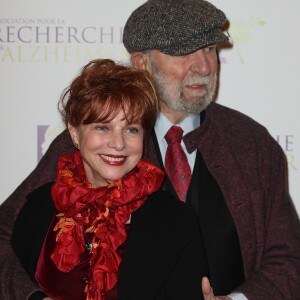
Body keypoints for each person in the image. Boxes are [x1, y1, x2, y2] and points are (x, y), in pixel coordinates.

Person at [0, 0, 300, 299]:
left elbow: (288, 259)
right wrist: (32, 297)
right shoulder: (90, 146)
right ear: (142, 63)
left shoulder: (252, 143)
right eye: (183, 52)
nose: (205, 66)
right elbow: (6, 234)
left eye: (210, 49)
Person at [9, 58, 208, 300]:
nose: (118, 143)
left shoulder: (176, 223)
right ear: (74, 132)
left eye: (131, 129)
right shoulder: (39, 207)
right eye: (102, 127)